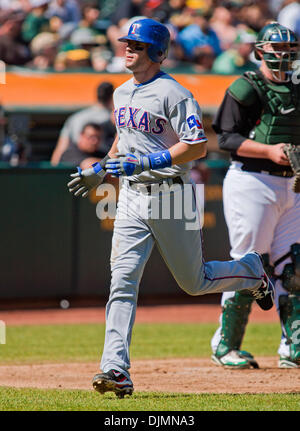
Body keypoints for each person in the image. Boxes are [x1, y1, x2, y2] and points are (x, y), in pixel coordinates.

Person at [67, 18, 274, 398]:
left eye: (138, 44)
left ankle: (250, 272)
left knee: (193, 282)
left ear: (157, 53)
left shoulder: (173, 93)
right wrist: (100, 169)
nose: (128, 48)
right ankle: (115, 369)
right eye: (127, 42)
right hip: (130, 195)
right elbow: (124, 141)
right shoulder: (121, 93)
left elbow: (197, 146)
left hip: (171, 195)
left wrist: (144, 163)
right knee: (122, 282)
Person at [210, 22, 300, 370]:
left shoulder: (296, 88)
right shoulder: (247, 87)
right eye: (277, 52)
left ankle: (292, 346)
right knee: (251, 263)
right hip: (253, 180)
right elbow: (226, 139)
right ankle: (226, 344)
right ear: (260, 52)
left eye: (290, 53)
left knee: (293, 267)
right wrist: (269, 150)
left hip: (292, 183)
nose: (283, 58)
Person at [51, 81, 115, 165]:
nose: (94, 141)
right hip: (85, 163)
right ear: (112, 97)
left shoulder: (76, 117)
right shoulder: (113, 118)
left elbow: (60, 149)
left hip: (99, 165)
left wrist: (54, 169)